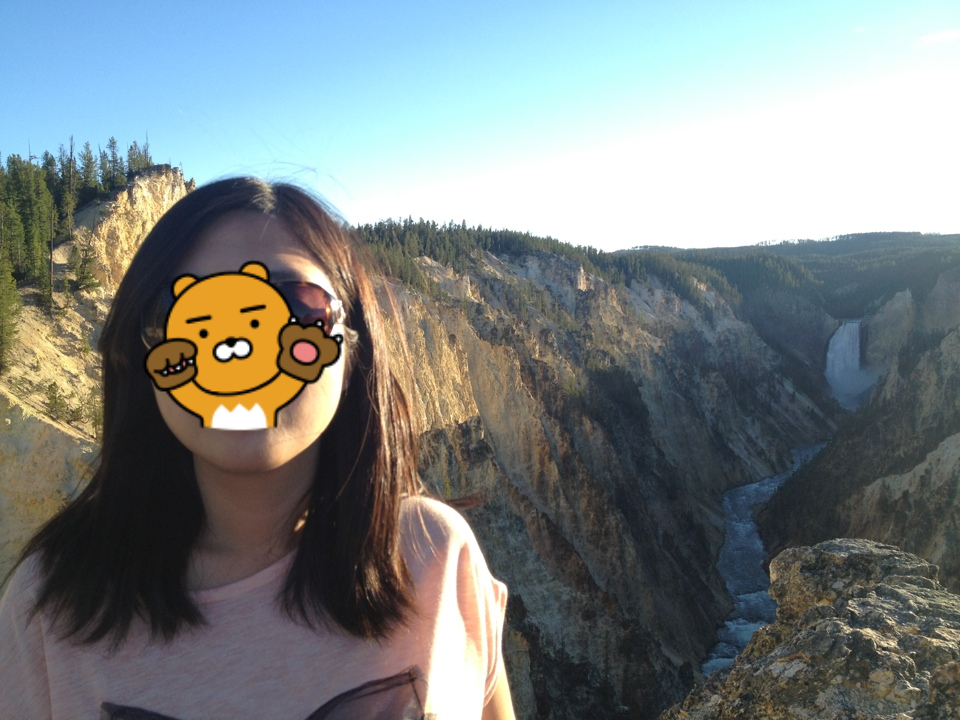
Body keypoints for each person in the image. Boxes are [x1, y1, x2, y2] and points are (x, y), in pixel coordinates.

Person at [0, 177, 515, 719]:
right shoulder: (52, 607)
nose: (239, 352)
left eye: (298, 305)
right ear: (146, 361)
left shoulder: (436, 556)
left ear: (351, 350)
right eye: (184, 313)